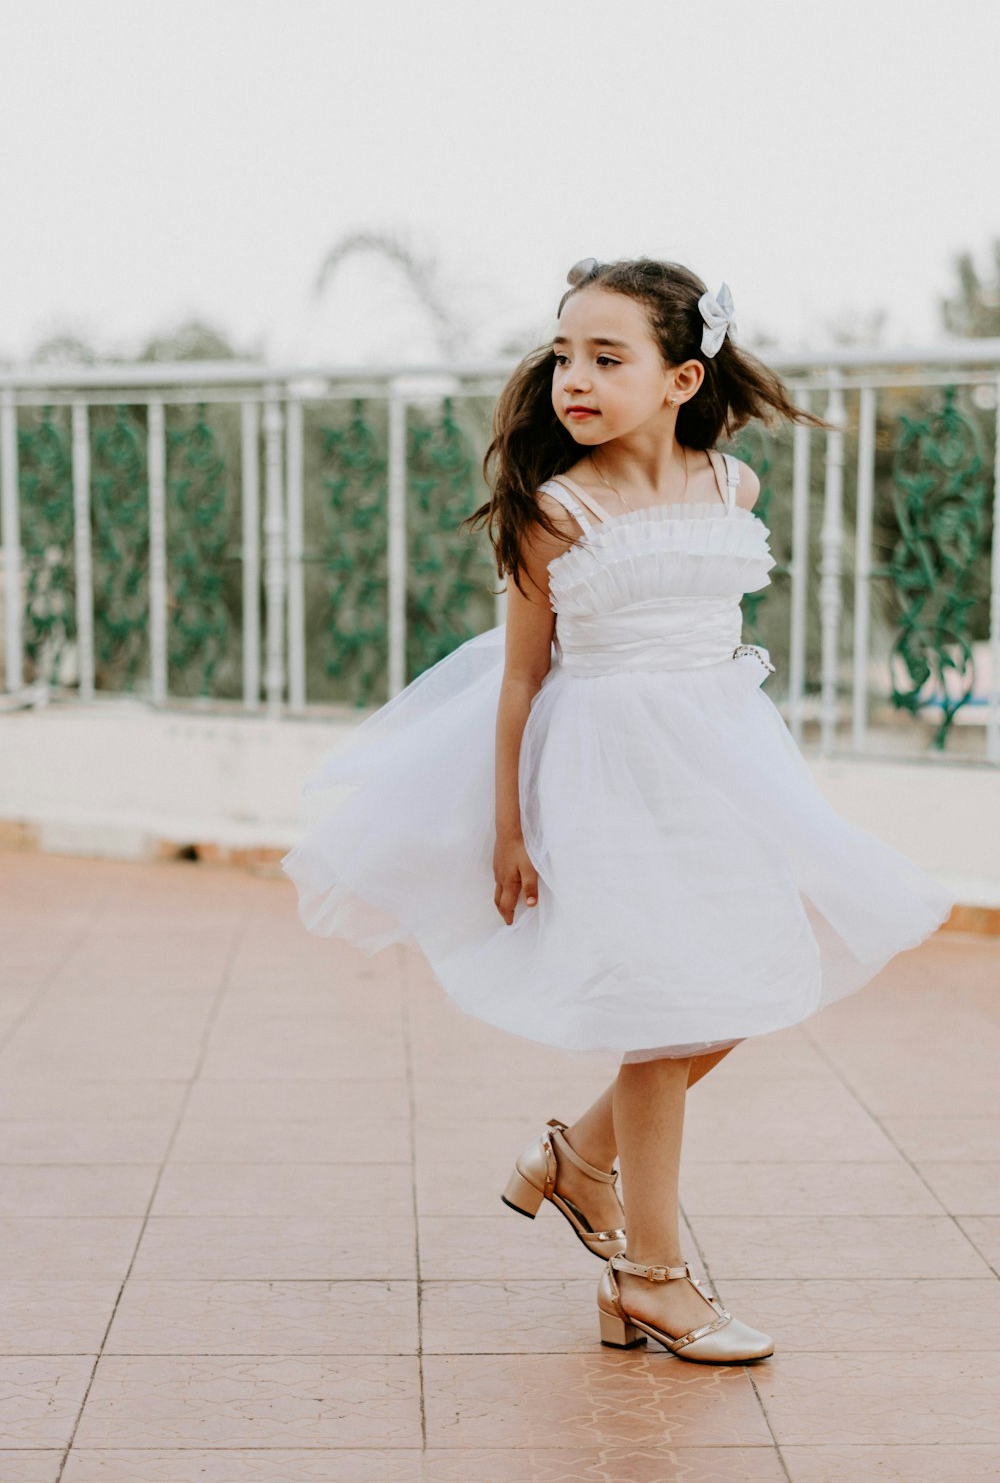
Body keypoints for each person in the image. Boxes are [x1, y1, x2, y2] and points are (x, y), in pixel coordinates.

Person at [282, 257, 956, 1364]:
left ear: (683, 378)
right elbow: (517, 681)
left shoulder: (729, 487)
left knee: (737, 985)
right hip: (604, 774)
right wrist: (508, 828)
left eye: (607, 358)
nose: (575, 379)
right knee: (666, 1007)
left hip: (720, 765)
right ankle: (650, 1278)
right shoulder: (556, 511)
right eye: (562, 356)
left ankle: (578, 1162)